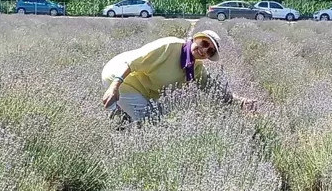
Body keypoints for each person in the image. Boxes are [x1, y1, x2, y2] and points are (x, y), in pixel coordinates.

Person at [101, 29, 256, 124]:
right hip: (121, 77)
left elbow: (213, 88)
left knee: (161, 114)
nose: (204, 50)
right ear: (196, 38)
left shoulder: (195, 68)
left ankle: (120, 113)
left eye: (209, 51)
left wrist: (241, 102)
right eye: (204, 43)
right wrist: (115, 87)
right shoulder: (169, 46)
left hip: (143, 88)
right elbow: (131, 63)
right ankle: (121, 113)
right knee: (150, 121)